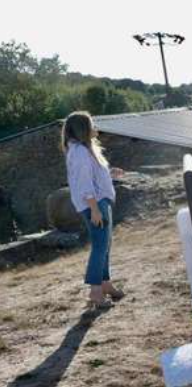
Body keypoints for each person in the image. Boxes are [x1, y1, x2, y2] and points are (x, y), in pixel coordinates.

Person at [62, 111, 125, 309]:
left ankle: (106, 284)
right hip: (95, 204)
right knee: (100, 246)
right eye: (91, 124)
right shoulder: (80, 151)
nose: (94, 127)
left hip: (99, 202)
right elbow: (83, 183)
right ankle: (95, 292)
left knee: (105, 245)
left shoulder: (84, 149)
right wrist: (94, 208)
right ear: (83, 129)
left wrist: (110, 172)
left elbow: (92, 174)